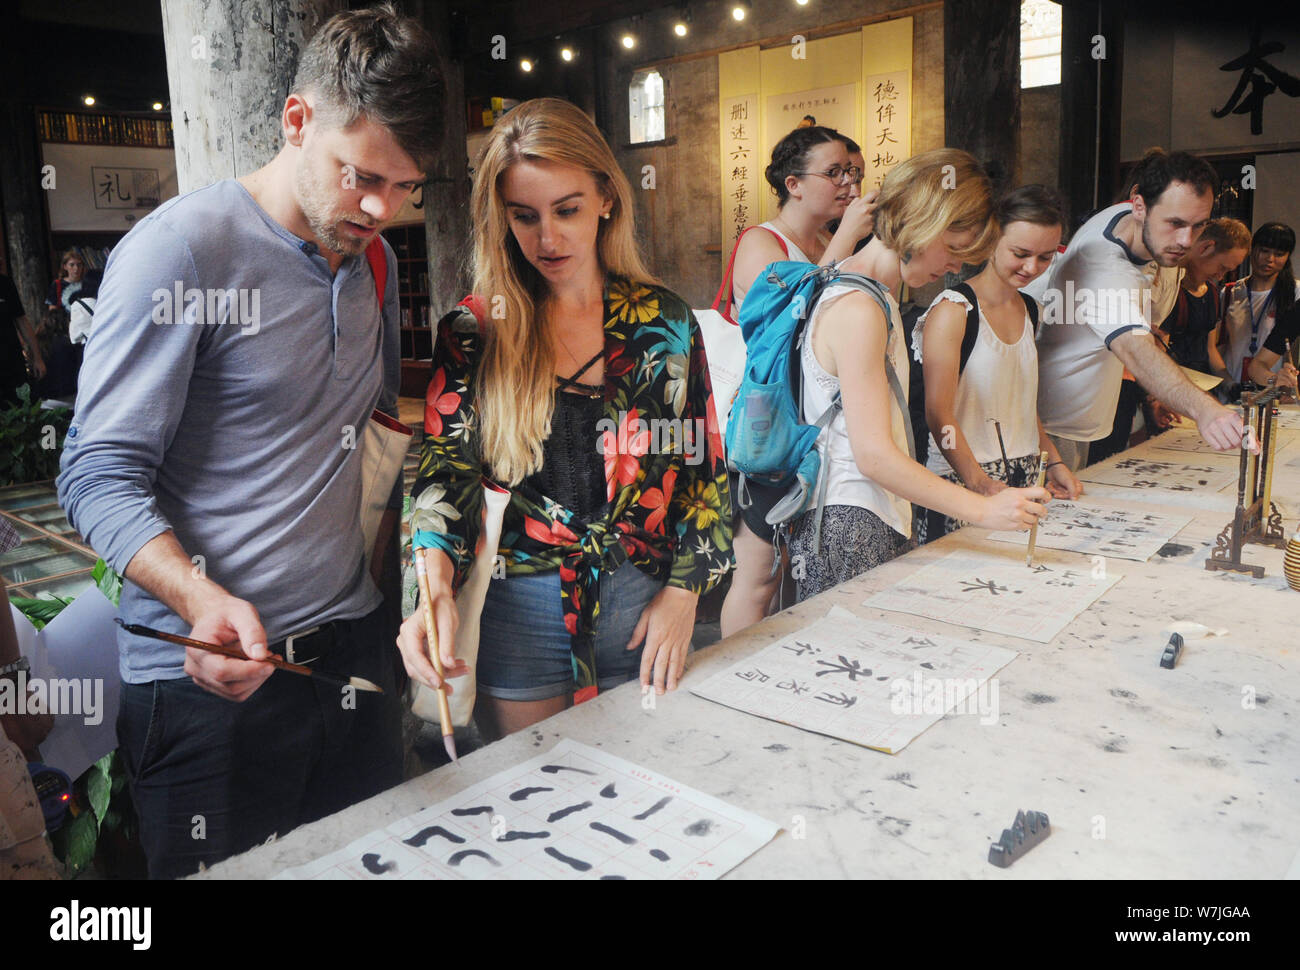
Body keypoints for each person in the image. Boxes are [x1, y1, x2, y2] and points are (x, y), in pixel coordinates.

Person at [56, 3, 442, 879]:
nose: (381, 208)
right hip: (207, 678)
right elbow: (95, 470)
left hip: (352, 649)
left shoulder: (371, 260)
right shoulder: (184, 253)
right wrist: (197, 598)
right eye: (360, 176)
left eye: (404, 186)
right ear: (296, 120)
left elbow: (367, 426)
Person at [397, 98, 733, 741]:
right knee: (539, 795)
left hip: (641, 594)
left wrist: (686, 593)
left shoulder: (661, 323)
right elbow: (446, 471)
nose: (547, 239)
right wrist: (434, 583)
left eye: (567, 210)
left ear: (607, 197)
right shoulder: (477, 330)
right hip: (520, 603)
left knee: (648, 786)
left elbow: (702, 466)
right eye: (524, 216)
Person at [787, 149, 1051, 600]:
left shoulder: (868, 291)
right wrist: (984, 508)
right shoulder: (859, 307)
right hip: (850, 517)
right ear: (923, 219)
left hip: (871, 510)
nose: (954, 266)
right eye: (952, 248)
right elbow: (873, 456)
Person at [719, 126, 874, 637]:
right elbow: (792, 318)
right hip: (771, 420)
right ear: (794, 184)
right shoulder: (761, 242)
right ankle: (735, 677)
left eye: (852, 171)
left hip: (820, 423)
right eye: (834, 173)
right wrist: (851, 237)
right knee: (759, 573)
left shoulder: (830, 240)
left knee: (794, 566)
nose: (848, 183)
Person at [1035, 148, 1249, 471]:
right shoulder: (1105, 268)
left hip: (1082, 412)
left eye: (1198, 226)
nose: (1186, 240)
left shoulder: (1127, 220)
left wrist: (1154, 395)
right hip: (1053, 424)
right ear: (1138, 205)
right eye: (1175, 223)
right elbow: (1135, 349)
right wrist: (1206, 410)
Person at [913, 185, 1082, 543]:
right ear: (992, 239)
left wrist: (1053, 463)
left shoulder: (1031, 309)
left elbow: (1022, 404)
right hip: (962, 481)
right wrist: (979, 484)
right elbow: (938, 414)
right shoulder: (954, 310)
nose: (1031, 267)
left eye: (1045, 257)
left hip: (1023, 475)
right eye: (1020, 253)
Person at [1219, 222, 1297, 389]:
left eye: (1279, 254)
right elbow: (1217, 348)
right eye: (1264, 251)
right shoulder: (1230, 292)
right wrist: (1228, 385)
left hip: (1276, 392)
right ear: (1252, 249)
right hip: (1233, 388)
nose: (1270, 259)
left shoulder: (1295, 293)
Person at [0, 264, 45, 406]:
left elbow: (22, 321)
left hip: (11, 360)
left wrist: (37, 357)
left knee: (20, 406)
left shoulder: (5, 283)